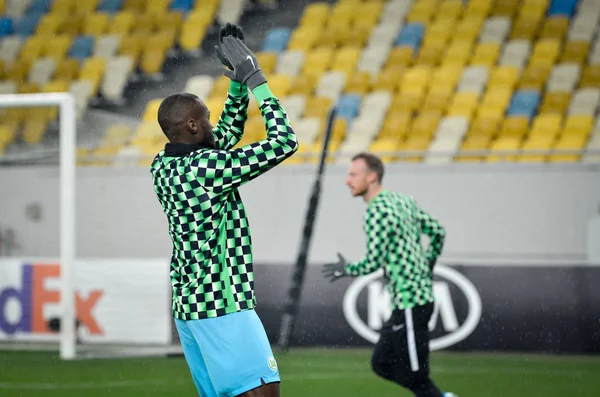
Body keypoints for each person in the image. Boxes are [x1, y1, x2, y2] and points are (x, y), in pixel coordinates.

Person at [150, 23, 298, 397]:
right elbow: (284, 142)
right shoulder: (206, 169)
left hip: (189, 308)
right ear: (193, 125)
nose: (215, 124)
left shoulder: (163, 166)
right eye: (208, 118)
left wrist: (234, 85)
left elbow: (221, 141)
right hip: (223, 305)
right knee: (262, 393)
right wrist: (255, 81)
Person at [322, 152, 457, 397]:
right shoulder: (404, 200)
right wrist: (427, 265)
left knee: (418, 378)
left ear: (372, 177)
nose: (347, 180)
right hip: (413, 301)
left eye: (353, 174)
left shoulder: (376, 212)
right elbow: (438, 232)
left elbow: (372, 262)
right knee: (381, 363)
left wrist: (346, 269)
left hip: (410, 304)